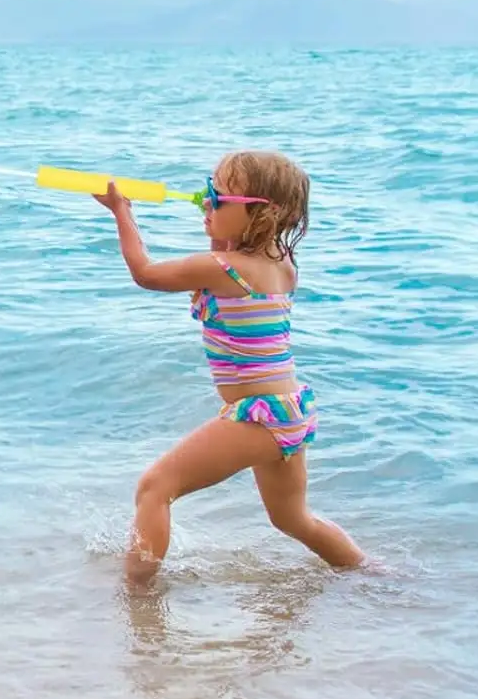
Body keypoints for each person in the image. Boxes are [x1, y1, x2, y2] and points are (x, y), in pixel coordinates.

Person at [94, 151, 365, 582]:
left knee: (154, 487)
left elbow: (145, 273)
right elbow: (225, 259)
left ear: (261, 214)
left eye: (217, 198)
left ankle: (139, 602)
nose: (205, 204)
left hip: (258, 415)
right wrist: (220, 224)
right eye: (206, 191)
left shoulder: (222, 268)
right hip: (289, 410)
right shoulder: (279, 263)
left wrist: (122, 211)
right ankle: (370, 574)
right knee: (294, 521)